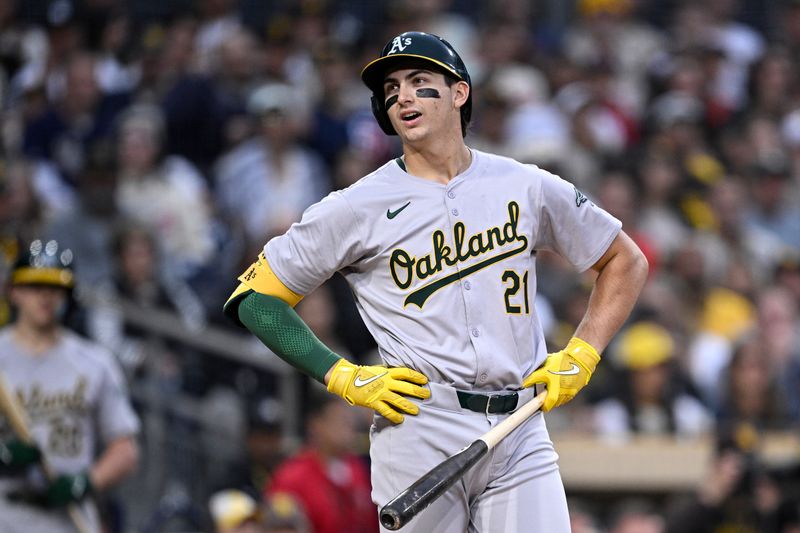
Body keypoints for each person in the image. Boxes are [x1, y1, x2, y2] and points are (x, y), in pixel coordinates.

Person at [223, 31, 648, 532]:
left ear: (459, 93)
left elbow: (625, 260)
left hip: (520, 423)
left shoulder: (524, 183)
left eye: (419, 81)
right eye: (392, 89)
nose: (401, 95)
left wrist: (583, 352)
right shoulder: (358, 204)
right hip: (421, 424)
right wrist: (342, 375)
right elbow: (254, 299)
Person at [0, 239, 140, 533]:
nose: (44, 297)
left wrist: (87, 481)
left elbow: (125, 449)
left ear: (68, 296)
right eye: (33, 287)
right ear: (13, 292)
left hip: (68, 516)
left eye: (54, 289)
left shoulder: (94, 362)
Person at [265, 391, 376, 533]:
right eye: (339, 421)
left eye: (349, 421)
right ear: (316, 425)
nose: (348, 429)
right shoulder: (292, 476)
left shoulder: (358, 470)